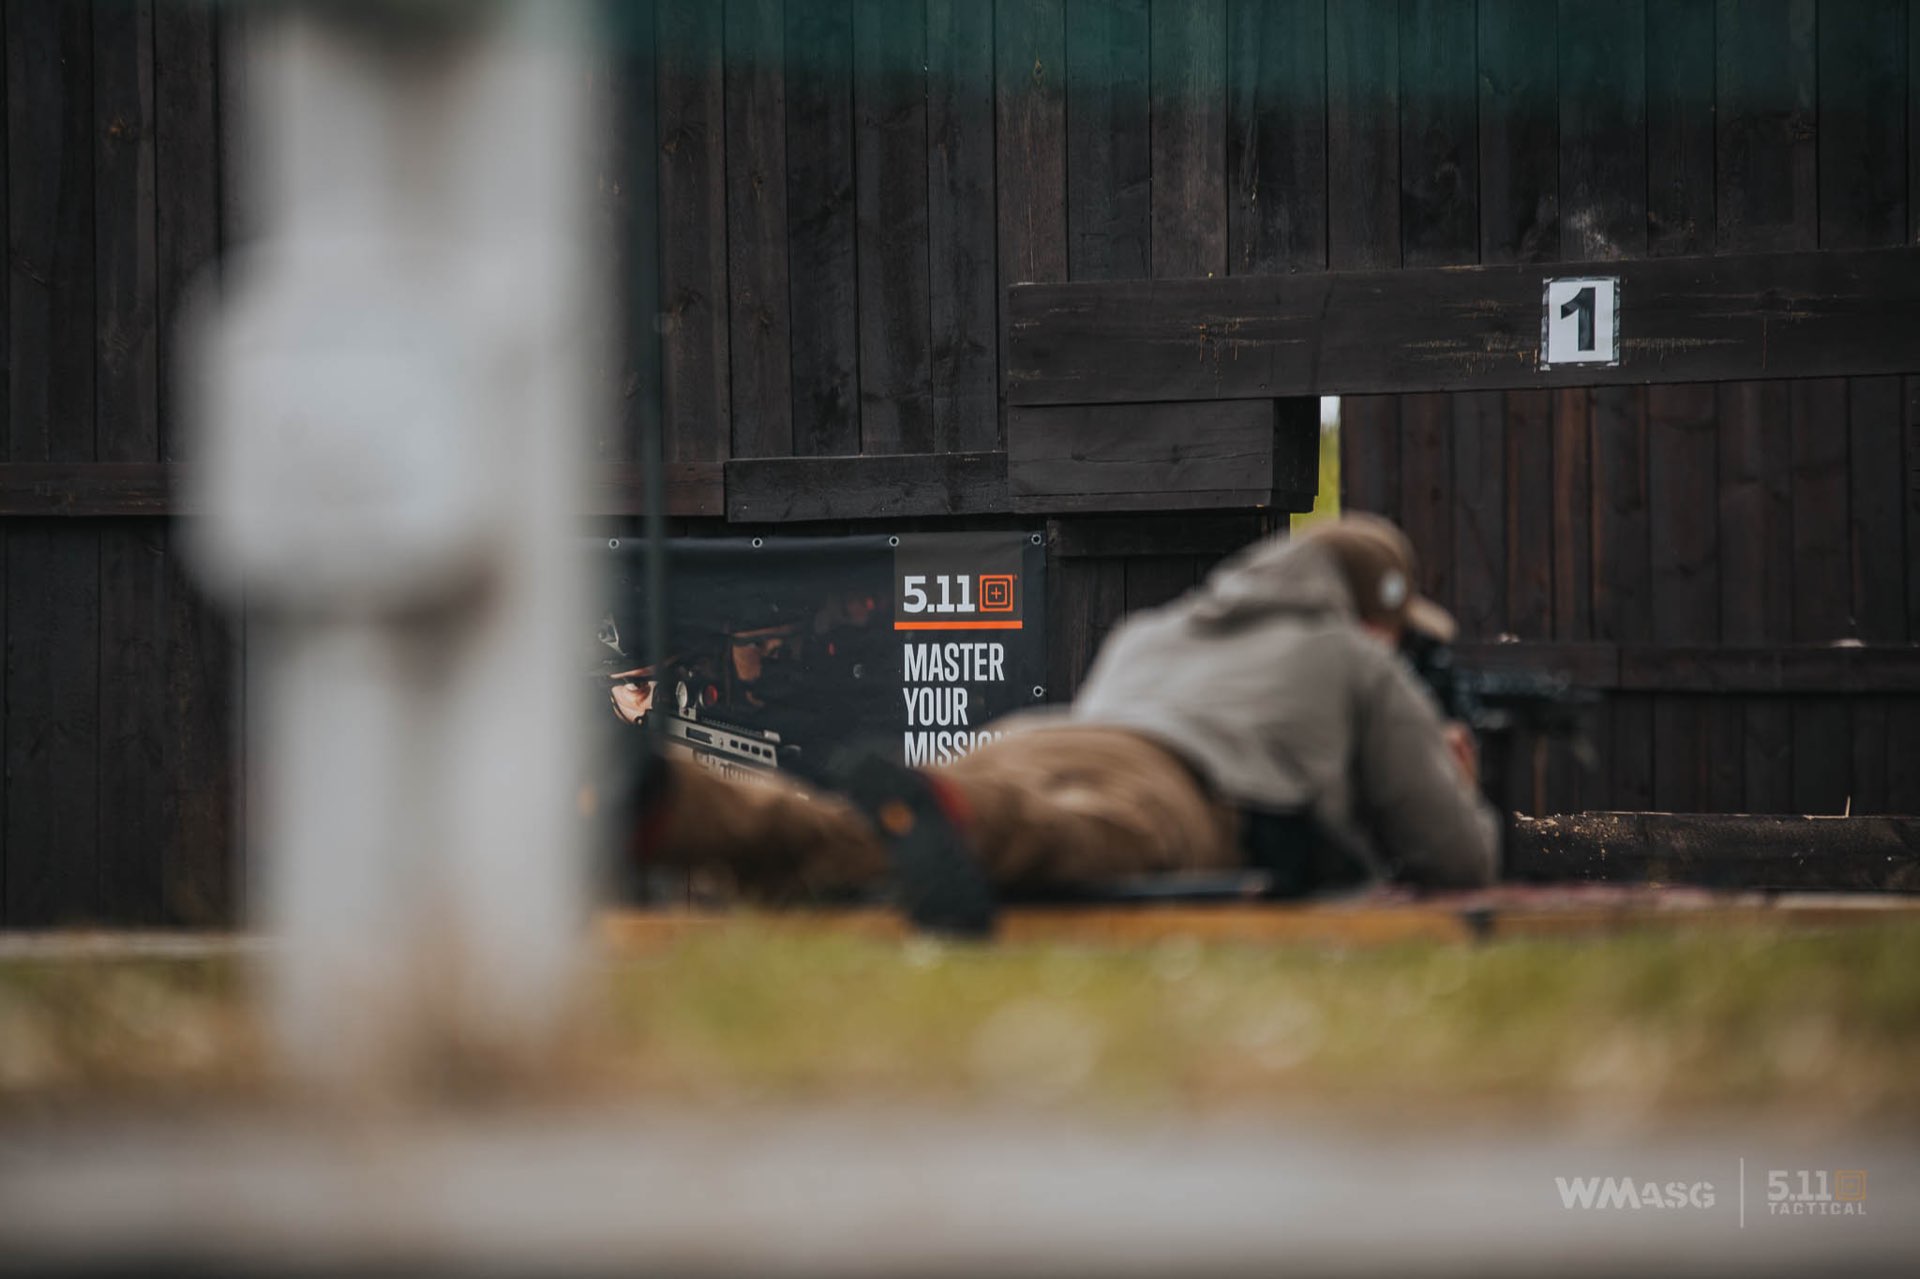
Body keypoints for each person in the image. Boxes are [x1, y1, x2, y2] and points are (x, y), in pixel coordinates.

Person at [637, 514, 1500, 916]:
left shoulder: (1157, 628)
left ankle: (686, 804)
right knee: (1035, 837)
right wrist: (1455, 776)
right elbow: (1456, 859)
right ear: (1371, 614)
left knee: (860, 827)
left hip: (1033, 736)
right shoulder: (1351, 655)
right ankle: (950, 820)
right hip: (1171, 790)